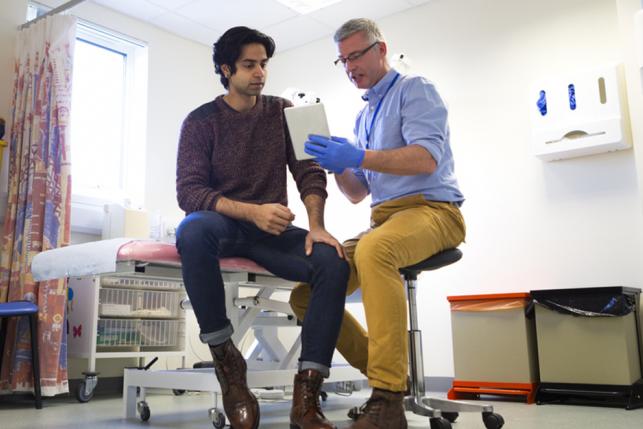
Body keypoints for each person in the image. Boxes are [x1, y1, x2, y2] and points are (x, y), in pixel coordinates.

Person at [289, 18, 466, 429]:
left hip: (434, 211)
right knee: (308, 294)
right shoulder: (363, 117)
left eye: (356, 55)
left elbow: (425, 158)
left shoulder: (415, 89)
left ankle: (386, 399)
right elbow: (356, 192)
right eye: (342, 60)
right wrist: (332, 160)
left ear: (380, 49)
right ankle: (393, 377)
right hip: (384, 218)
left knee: (375, 249)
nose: (350, 66)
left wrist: (357, 156)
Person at [175, 26, 349, 429]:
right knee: (192, 230)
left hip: (271, 231)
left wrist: (316, 226)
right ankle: (229, 367)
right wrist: (251, 212)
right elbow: (190, 192)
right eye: (249, 65)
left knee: (332, 261)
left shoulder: (282, 111)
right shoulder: (200, 121)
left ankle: (307, 394)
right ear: (226, 69)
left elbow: (310, 173)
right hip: (224, 224)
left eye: (264, 64)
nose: (260, 73)